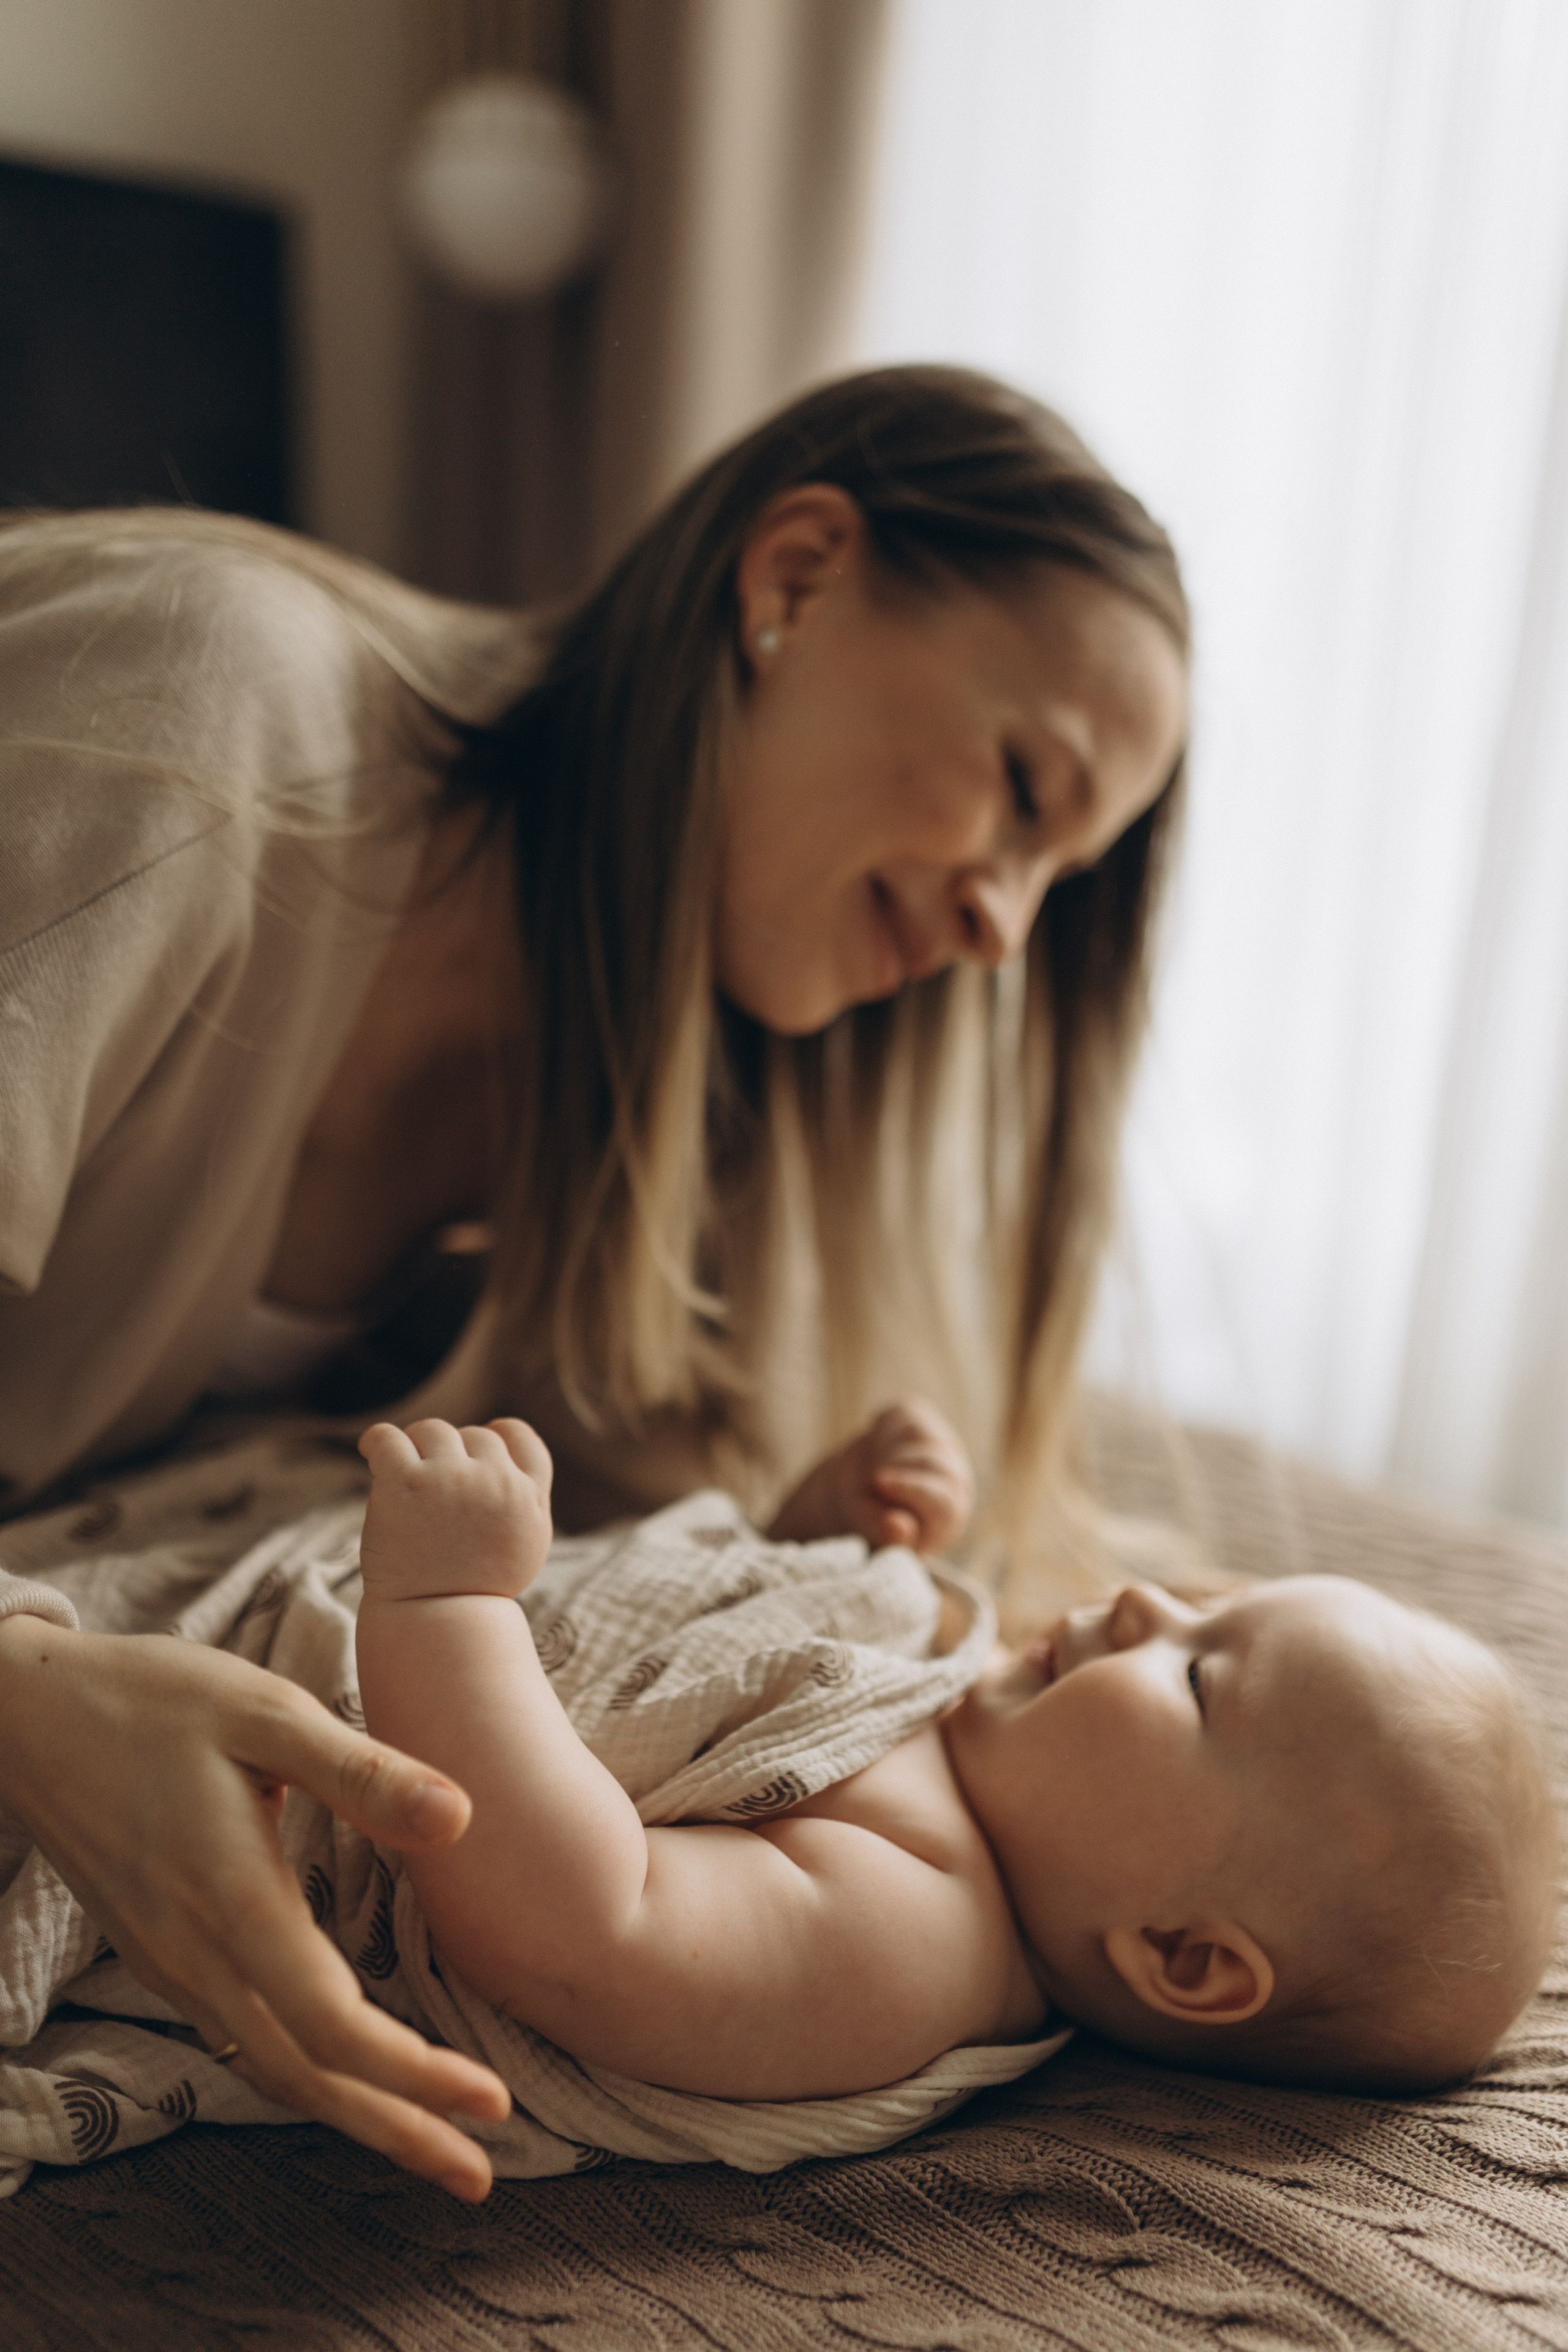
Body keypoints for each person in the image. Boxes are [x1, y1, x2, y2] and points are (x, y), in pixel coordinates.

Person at [0, 368, 1189, 2190]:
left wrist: (776, 1546)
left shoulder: (661, 1119)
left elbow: (613, 1646)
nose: (1002, 932)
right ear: (793, 578)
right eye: (1024, 792)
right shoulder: (201, 712)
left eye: (1058, 883)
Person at [355, 1406, 1560, 2118]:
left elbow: (582, 1931)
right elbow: (726, 1681)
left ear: (1181, 1957)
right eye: (1200, 1605)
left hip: (336, 1771)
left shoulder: (910, 1924)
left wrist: (444, 1606)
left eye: (1199, 1676)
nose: (1141, 1600)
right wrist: (819, 1534)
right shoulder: (979, 1728)